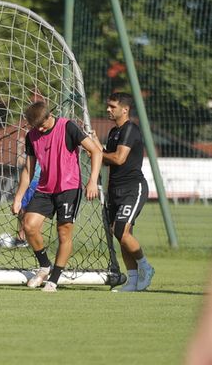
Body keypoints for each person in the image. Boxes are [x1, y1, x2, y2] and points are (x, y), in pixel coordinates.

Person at [11, 101, 103, 292]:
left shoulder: (68, 126)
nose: (40, 129)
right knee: (29, 225)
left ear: (49, 116)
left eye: (42, 125)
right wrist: (19, 197)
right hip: (44, 189)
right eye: (36, 127)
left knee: (63, 232)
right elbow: (29, 169)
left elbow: (95, 151)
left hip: (68, 188)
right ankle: (45, 266)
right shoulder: (32, 136)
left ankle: (54, 279)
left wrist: (93, 180)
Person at [93, 92, 155, 291]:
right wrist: (94, 145)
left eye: (112, 106)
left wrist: (97, 152)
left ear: (125, 109)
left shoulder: (130, 130)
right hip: (115, 190)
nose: (108, 109)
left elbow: (118, 159)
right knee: (121, 234)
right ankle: (133, 280)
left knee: (120, 229)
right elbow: (105, 157)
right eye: (108, 106)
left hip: (133, 189)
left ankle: (146, 266)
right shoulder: (113, 132)